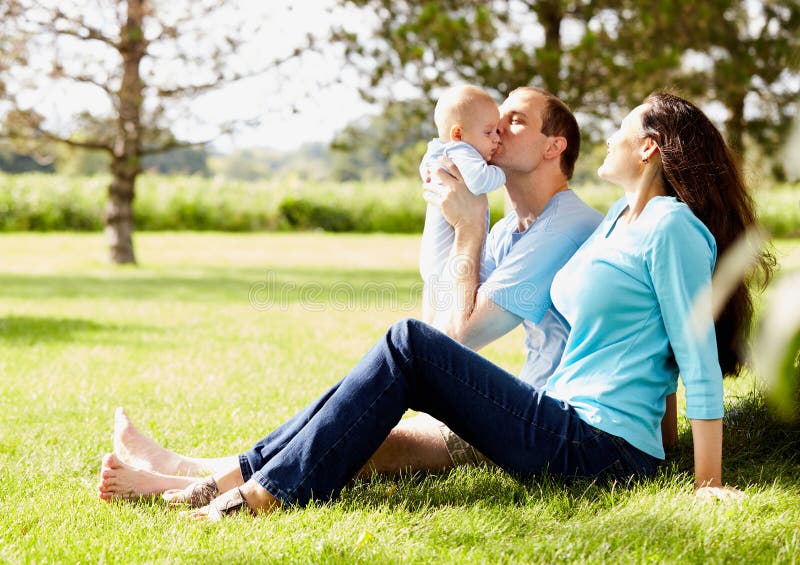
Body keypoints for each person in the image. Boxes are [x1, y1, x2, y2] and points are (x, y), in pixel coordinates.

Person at [98, 86, 605, 498]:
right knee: (372, 440)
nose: (495, 123)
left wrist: (468, 230)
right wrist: (452, 219)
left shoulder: (567, 224)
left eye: (514, 119)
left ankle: (210, 486)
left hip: (556, 421)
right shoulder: (512, 229)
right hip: (533, 403)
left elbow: (461, 337)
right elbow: (440, 318)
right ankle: (189, 473)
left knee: (387, 388)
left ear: (552, 146)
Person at [417, 84, 505, 298]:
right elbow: (479, 181)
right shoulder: (461, 150)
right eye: (488, 132)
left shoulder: (441, 151)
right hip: (448, 257)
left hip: (437, 255)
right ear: (457, 133)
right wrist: (505, 171)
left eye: (497, 131)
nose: (496, 138)